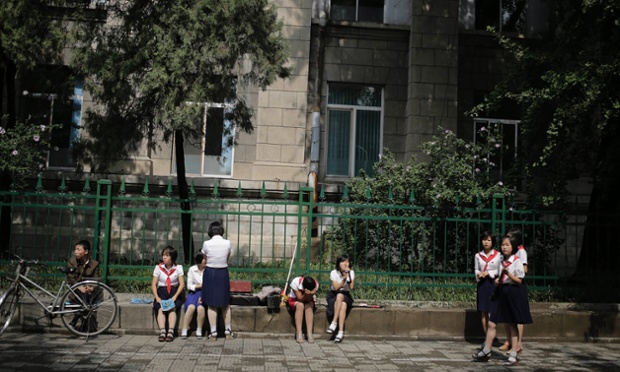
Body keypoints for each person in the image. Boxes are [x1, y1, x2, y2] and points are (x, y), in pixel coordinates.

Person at [472, 235, 532, 366]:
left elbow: (519, 280)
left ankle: (514, 354)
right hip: (501, 293)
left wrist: (508, 274)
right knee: (492, 323)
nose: (504, 247)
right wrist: (498, 281)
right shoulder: (500, 260)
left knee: (512, 324)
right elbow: (499, 277)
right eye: (503, 245)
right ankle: (486, 350)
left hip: (512, 293)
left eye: (507, 245)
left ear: (513, 247)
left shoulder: (516, 261)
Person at [498, 227, 530, 354]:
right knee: (508, 316)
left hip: (516, 285)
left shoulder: (520, 252)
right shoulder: (506, 256)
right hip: (507, 286)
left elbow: (524, 270)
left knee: (517, 316)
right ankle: (509, 341)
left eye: (510, 238)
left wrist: (511, 272)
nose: (506, 244)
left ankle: (518, 344)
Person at [201, 221, 233, 339]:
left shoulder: (206, 244)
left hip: (210, 272)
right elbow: (227, 259)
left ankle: (213, 332)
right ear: (221, 231)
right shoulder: (227, 243)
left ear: (210, 231)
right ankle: (228, 331)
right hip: (223, 272)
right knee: (225, 304)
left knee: (211, 304)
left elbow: (206, 259)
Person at [66, 240, 101, 332]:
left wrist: (92, 287)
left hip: (89, 292)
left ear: (86, 251)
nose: (75, 252)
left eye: (78, 249)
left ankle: (82, 324)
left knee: (88, 305)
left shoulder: (94, 264)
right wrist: (79, 287)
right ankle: (76, 320)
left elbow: (96, 278)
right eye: (75, 249)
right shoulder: (72, 261)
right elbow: (71, 278)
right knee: (79, 303)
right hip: (76, 290)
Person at [151, 246, 185, 342]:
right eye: (163, 255)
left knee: (172, 309)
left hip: (174, 292)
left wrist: (175, 296)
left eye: (167, 255)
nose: (164, 257)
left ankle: (170, 331)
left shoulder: (178, 268)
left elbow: (182, 284)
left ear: (172, 257)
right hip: (162, 292)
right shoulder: (158, 268)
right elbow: (154, 284)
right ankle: (162, 331)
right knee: (161, 308)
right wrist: (157, 297)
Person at [474, 231, 500, 344]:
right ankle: (486, 336)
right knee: (483, 311)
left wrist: (488, 273)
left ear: (492, 242)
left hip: (492, 283)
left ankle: (492, 335)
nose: (486, 242)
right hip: (482, 284)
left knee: (491, 311)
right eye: (484, 239)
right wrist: (479, 274)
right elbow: (476, 269)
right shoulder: (478, 256)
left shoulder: (498, 255)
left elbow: (499, 270)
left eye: (488, 240)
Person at [326, 255, 355, 343]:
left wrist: (349, 276)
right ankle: (340, 332)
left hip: (345, 295)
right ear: (339, 264)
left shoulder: (351, 272)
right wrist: (343, 280)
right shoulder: (334, 273)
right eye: (343, 262)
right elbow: (336, 288)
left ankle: (334, 323)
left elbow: (351, 287)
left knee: (341, 297)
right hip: (334, 294)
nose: (345, 264)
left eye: (347, 262)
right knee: (343, 304)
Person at [181, 252, 206, 339]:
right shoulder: (192, 269)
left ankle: (199, 329)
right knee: (191, 307)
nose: (206, 260)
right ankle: (184, 329)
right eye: (204, 258)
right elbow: (189, 285)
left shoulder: (208, 270)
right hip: (193, 292)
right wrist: (199, 285)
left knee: (200, 308)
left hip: (204, 293)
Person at [287, 275, 319, 343]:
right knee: (300, 305)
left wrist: (310, 294)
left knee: (309, 305)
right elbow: (300, 299)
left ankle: (309, 333)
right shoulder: (296, 282)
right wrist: (306, 294)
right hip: (295, 299)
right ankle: (299, 333)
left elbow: (308, 300)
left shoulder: (316, 284)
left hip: (308, 300)